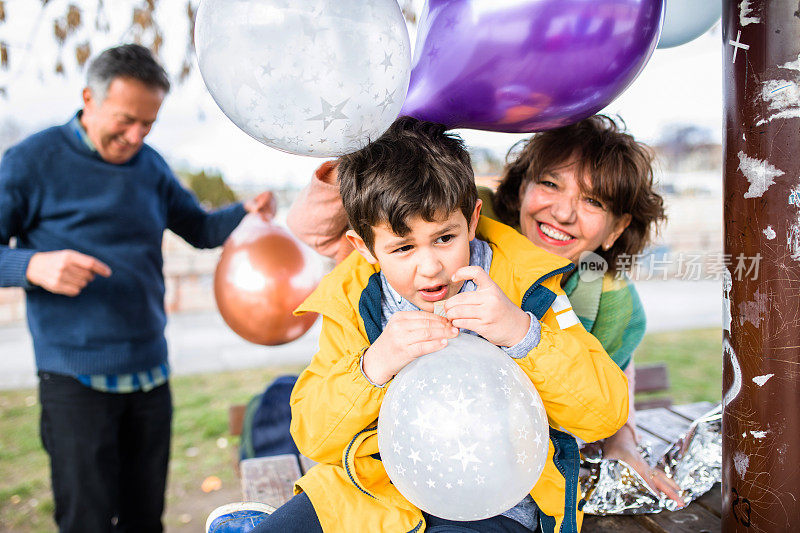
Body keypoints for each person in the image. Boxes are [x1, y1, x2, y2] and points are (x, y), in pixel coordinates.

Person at [210, 117, 629, 533]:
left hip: (488, 503)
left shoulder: (528, 287)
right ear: (365, 247)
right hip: (371, 492)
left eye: (445, 239)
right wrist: (373, 366)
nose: (430, 268)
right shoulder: (355, 299)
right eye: (404, 247)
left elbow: (605, 413)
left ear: (472, 218)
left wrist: (522, 334)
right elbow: (314, 437)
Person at [282, 114, 681, 505]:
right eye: (549, 183)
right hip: (396, 473)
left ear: (616, 228)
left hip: (502, 471)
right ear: (520, 187)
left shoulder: (608, 297)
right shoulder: (452, 213)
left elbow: (607, 395)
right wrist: (374, 145)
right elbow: (321, 228)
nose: (563, 212)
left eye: (593, 201)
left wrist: (622, 441)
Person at [0, 44, 274, 533]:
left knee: (146, 518)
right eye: (126, 120)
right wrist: (32, 264)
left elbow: (200, 229)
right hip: (74, 381)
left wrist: (244, 211)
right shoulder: (30, 161)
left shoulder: (150, 166)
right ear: (89, 98)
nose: (135, 136)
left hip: (150, 376)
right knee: (85, 520)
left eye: (148, 124)